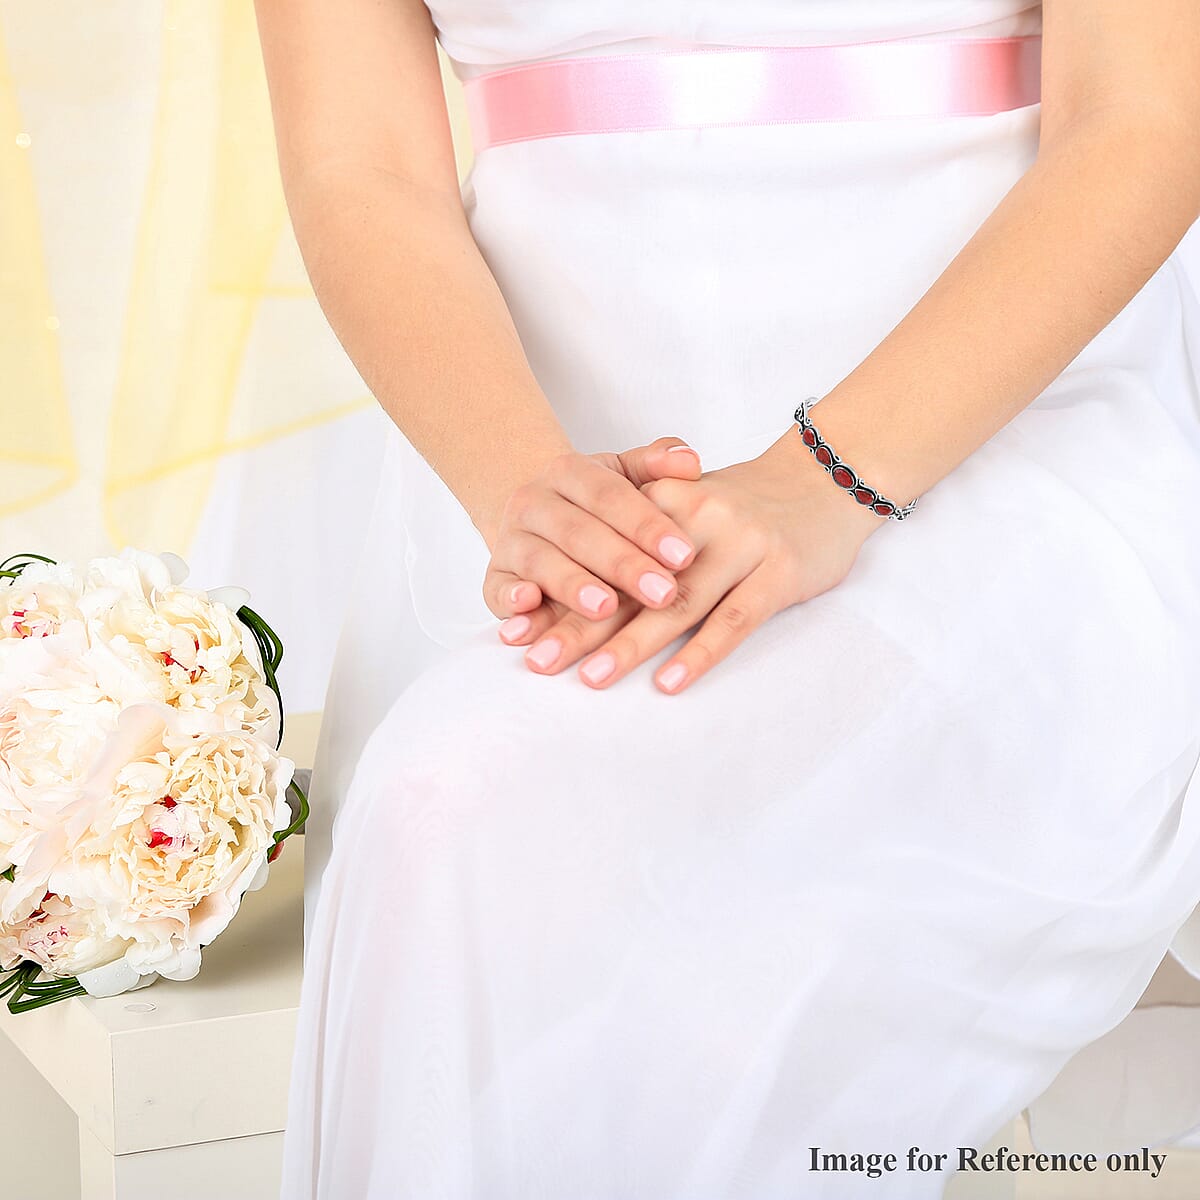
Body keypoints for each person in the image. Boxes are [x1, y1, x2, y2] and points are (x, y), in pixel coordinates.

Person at [252, 0, 1200, 1195]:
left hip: (988, 445)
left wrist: (828, 480)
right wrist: (534, 497)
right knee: (443, 810)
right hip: (533, 463)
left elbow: (1142, 117)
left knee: (484, 819)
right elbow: (362, 166)